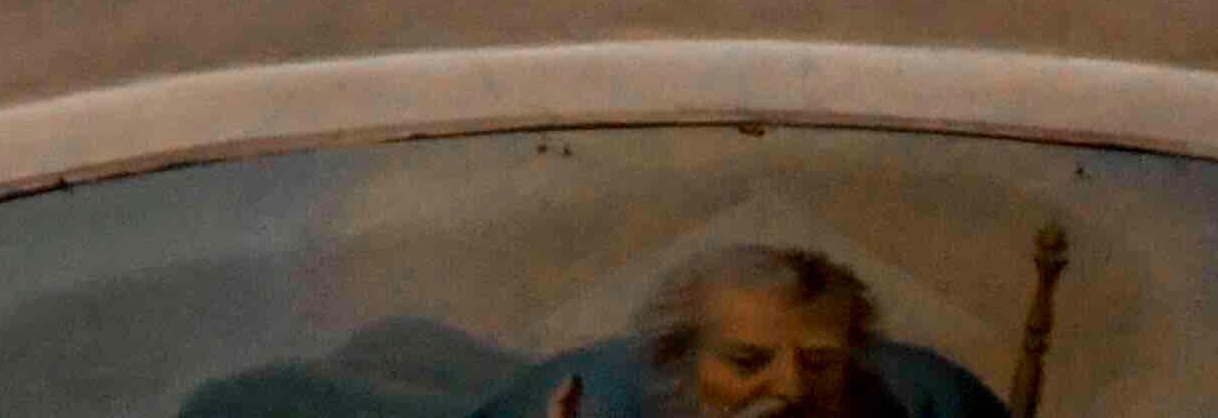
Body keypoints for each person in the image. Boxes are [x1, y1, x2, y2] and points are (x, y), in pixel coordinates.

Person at [175, 242, 1008, 418]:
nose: (790, 386)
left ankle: (402, 342)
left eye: (819, 360)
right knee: (248, 404)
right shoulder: (597, 399)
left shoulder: (924, 396)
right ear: (681, 359)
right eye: (749, 360)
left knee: (406, 345)